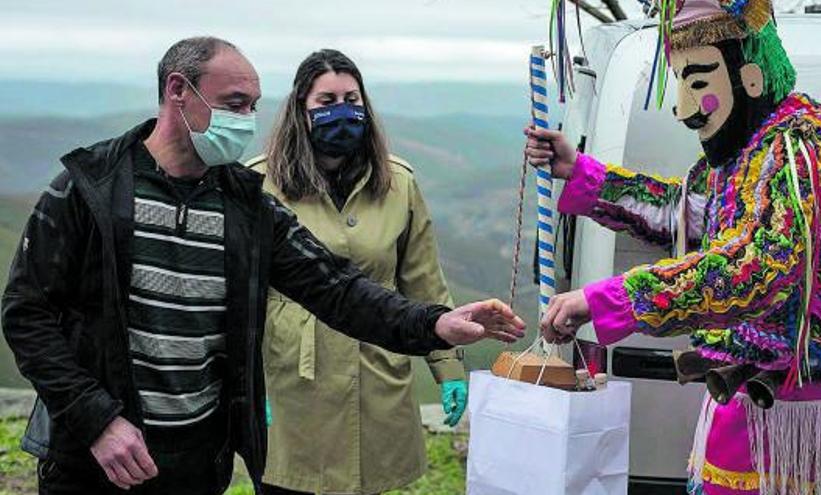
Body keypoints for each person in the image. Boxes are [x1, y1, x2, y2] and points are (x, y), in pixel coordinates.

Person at [1, 36, 525, 495]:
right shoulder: (87, 189)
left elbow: (335, 289)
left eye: (252, 105)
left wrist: (433, 324)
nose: (246, 119)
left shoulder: (246, 206)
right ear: (178, 91)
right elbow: (27, 314)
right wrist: (97, 421)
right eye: (233, 103)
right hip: (94, 459)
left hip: (195, 459)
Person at [525, 1, 821, 493]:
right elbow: (682, 213)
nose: (685, 110)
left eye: (699, 81)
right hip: (742, 397)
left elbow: (758, 268)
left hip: (782, 410)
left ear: (750, 75)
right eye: (681, 83)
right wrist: (579, 171)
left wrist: (611, 299)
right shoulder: (744, 152)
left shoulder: (801, 145)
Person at [246, 49, 468, 495]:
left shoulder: (398, 182)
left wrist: (448, 366)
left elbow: (423, 280)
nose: (342, 111)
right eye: (326, 101)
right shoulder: (259, 183)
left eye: (351, 98)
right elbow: (241, 295)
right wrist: (246, 384)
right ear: (300, 109)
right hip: (290, 375)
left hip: (376, 366)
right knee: (289, 483)